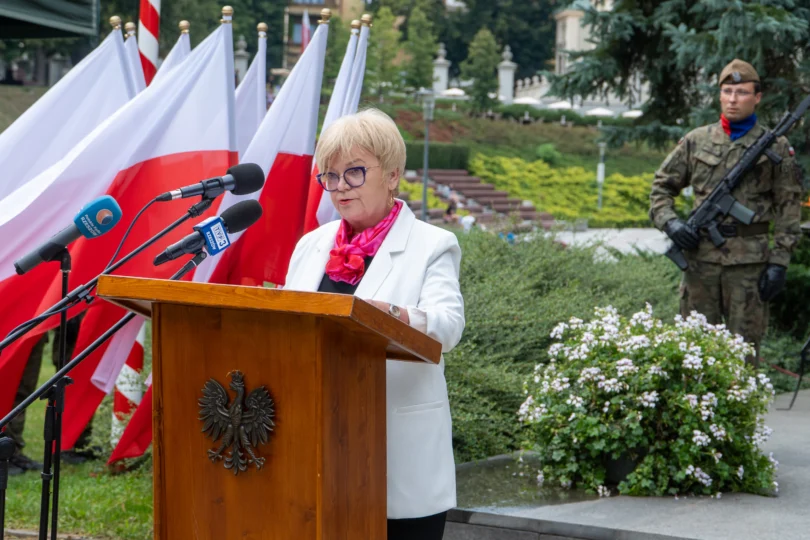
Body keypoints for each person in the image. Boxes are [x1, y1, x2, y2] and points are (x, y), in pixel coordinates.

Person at [284, 108, 465, 540]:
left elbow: (448, 325)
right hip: (318, 448)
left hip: (397, 454)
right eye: (329, 175)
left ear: (392, 175)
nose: (340, 187)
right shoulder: (311, 245)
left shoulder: (432, 245)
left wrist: (394, 317)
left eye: (355, 172)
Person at [650, 59, 803, 365]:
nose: (733, 99)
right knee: (694, 352)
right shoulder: (696, 141)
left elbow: (789, 208)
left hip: (749, 267)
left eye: (742, 92)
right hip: (699, 264)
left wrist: (779, 262)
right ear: (719, 95)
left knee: (743, 354)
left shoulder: (775, 147)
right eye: (727, 91)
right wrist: (672, 225)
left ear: (757, 97)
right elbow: (660, 191)